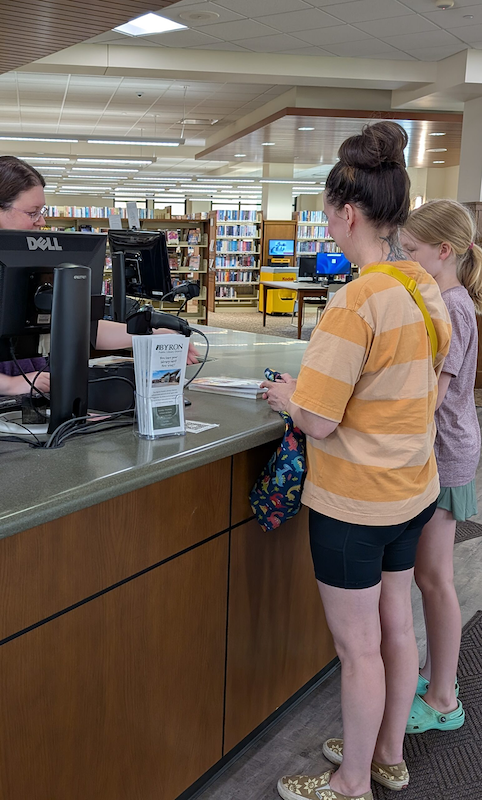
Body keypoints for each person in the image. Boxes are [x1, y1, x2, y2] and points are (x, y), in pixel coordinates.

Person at [261, 122, 452, 800]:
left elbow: (318, 417)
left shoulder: (355, 301)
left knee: (356, 649)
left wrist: (288, 395)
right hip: (413, 490)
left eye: (326, 214)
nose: (326, 227)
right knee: (397, 626)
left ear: (347, 213)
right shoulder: (422, 286)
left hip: (355, 502)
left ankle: (349, 783)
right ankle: (388, 754)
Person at [0, 156, 197, 394]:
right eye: (32, 213)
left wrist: (152, 334)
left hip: (30, 398)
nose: (42, 221)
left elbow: (83, 327)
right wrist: (12, 385)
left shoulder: (39, 260)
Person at [399, 199, 481, 734]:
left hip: (446, 456)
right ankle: (437, 677)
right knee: (435, 578)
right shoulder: (454, 299)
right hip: (454, 449)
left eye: (412, 252)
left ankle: (445, 696)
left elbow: (432, 396)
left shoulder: (450, 307)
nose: (406, 261)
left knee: (433, 578)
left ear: (444, 252)